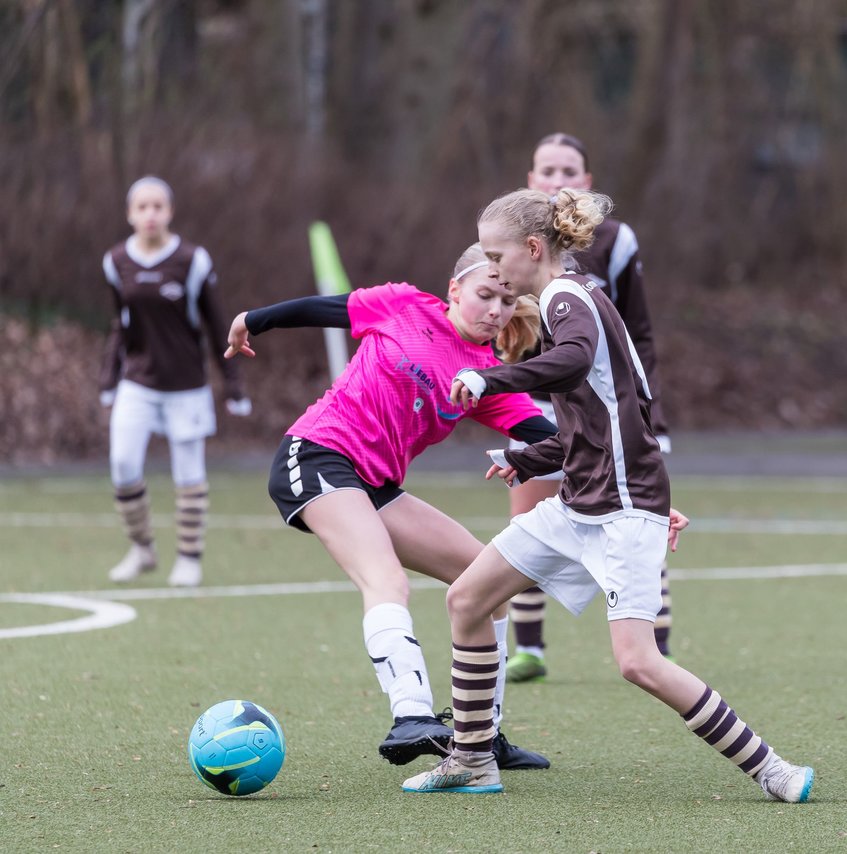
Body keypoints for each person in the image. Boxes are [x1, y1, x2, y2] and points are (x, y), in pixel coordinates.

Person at [401, 188, 814, 803]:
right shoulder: (573, 296)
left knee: (638, 662)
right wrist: (531, 457)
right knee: (467, 599)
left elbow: (571, 364)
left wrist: (488, 376)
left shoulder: (568, 298)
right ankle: (471, 758)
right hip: (578, 504)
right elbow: (605, 415)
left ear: (533, 249)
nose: (493, 267)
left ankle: (773, 769)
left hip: (621, 509)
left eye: (497, 254)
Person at [222, 244, 552, 771]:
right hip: (316, 454)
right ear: (454, 290)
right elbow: (320, 309)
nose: (495, 310)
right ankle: (411, 715)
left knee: (491, 582)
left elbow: (558, 440)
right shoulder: (402, 304)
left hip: (376, 486)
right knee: (386, 580)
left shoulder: (487, 379)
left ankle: (479, 736)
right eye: (484, 295)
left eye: (506, 302)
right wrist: (250, 321)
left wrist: (637, 487)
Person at [505, 133, 674, 684]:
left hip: (602, 404)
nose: (558, 179)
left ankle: (656, 644)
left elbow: (633, 336)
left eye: (569, 170)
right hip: (531, 397)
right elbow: (494, 320)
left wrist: (648, 410)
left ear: (587, 182)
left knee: (634, 520)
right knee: (527, 521)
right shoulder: (511, 242)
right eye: (547, 169)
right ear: (531, 180)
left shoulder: (613, 243)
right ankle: (528, 646)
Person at [99, 175, 251, 588]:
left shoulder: (192, 260)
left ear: (170, 211)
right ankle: (143, 548)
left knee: (188, 474)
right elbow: (121, 324)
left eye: (158, 206)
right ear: (130, 214)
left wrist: (233, 383)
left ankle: (189, 558)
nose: (150, 214)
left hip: (186, 385)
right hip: (138, 383)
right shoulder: (116, 262)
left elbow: (219, 322)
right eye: (142, 207)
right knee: (123, 465)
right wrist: (108, 377)